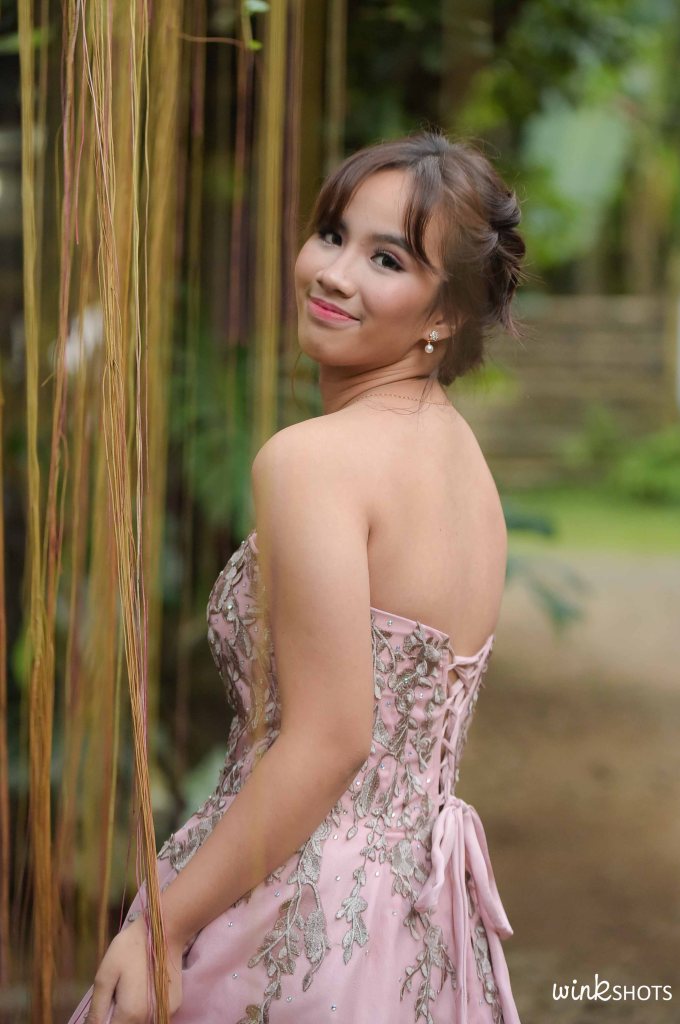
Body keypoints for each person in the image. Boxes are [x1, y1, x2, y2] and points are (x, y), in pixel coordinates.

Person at [70, 129, 526, 1024]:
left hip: (292, 907)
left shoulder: (312, 460)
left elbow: (329, 739)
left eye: (385, 259)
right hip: (417, 922)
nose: (333, 274)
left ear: (445, 313)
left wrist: (165, 928)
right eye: (331, 235)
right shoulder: (462, 464)